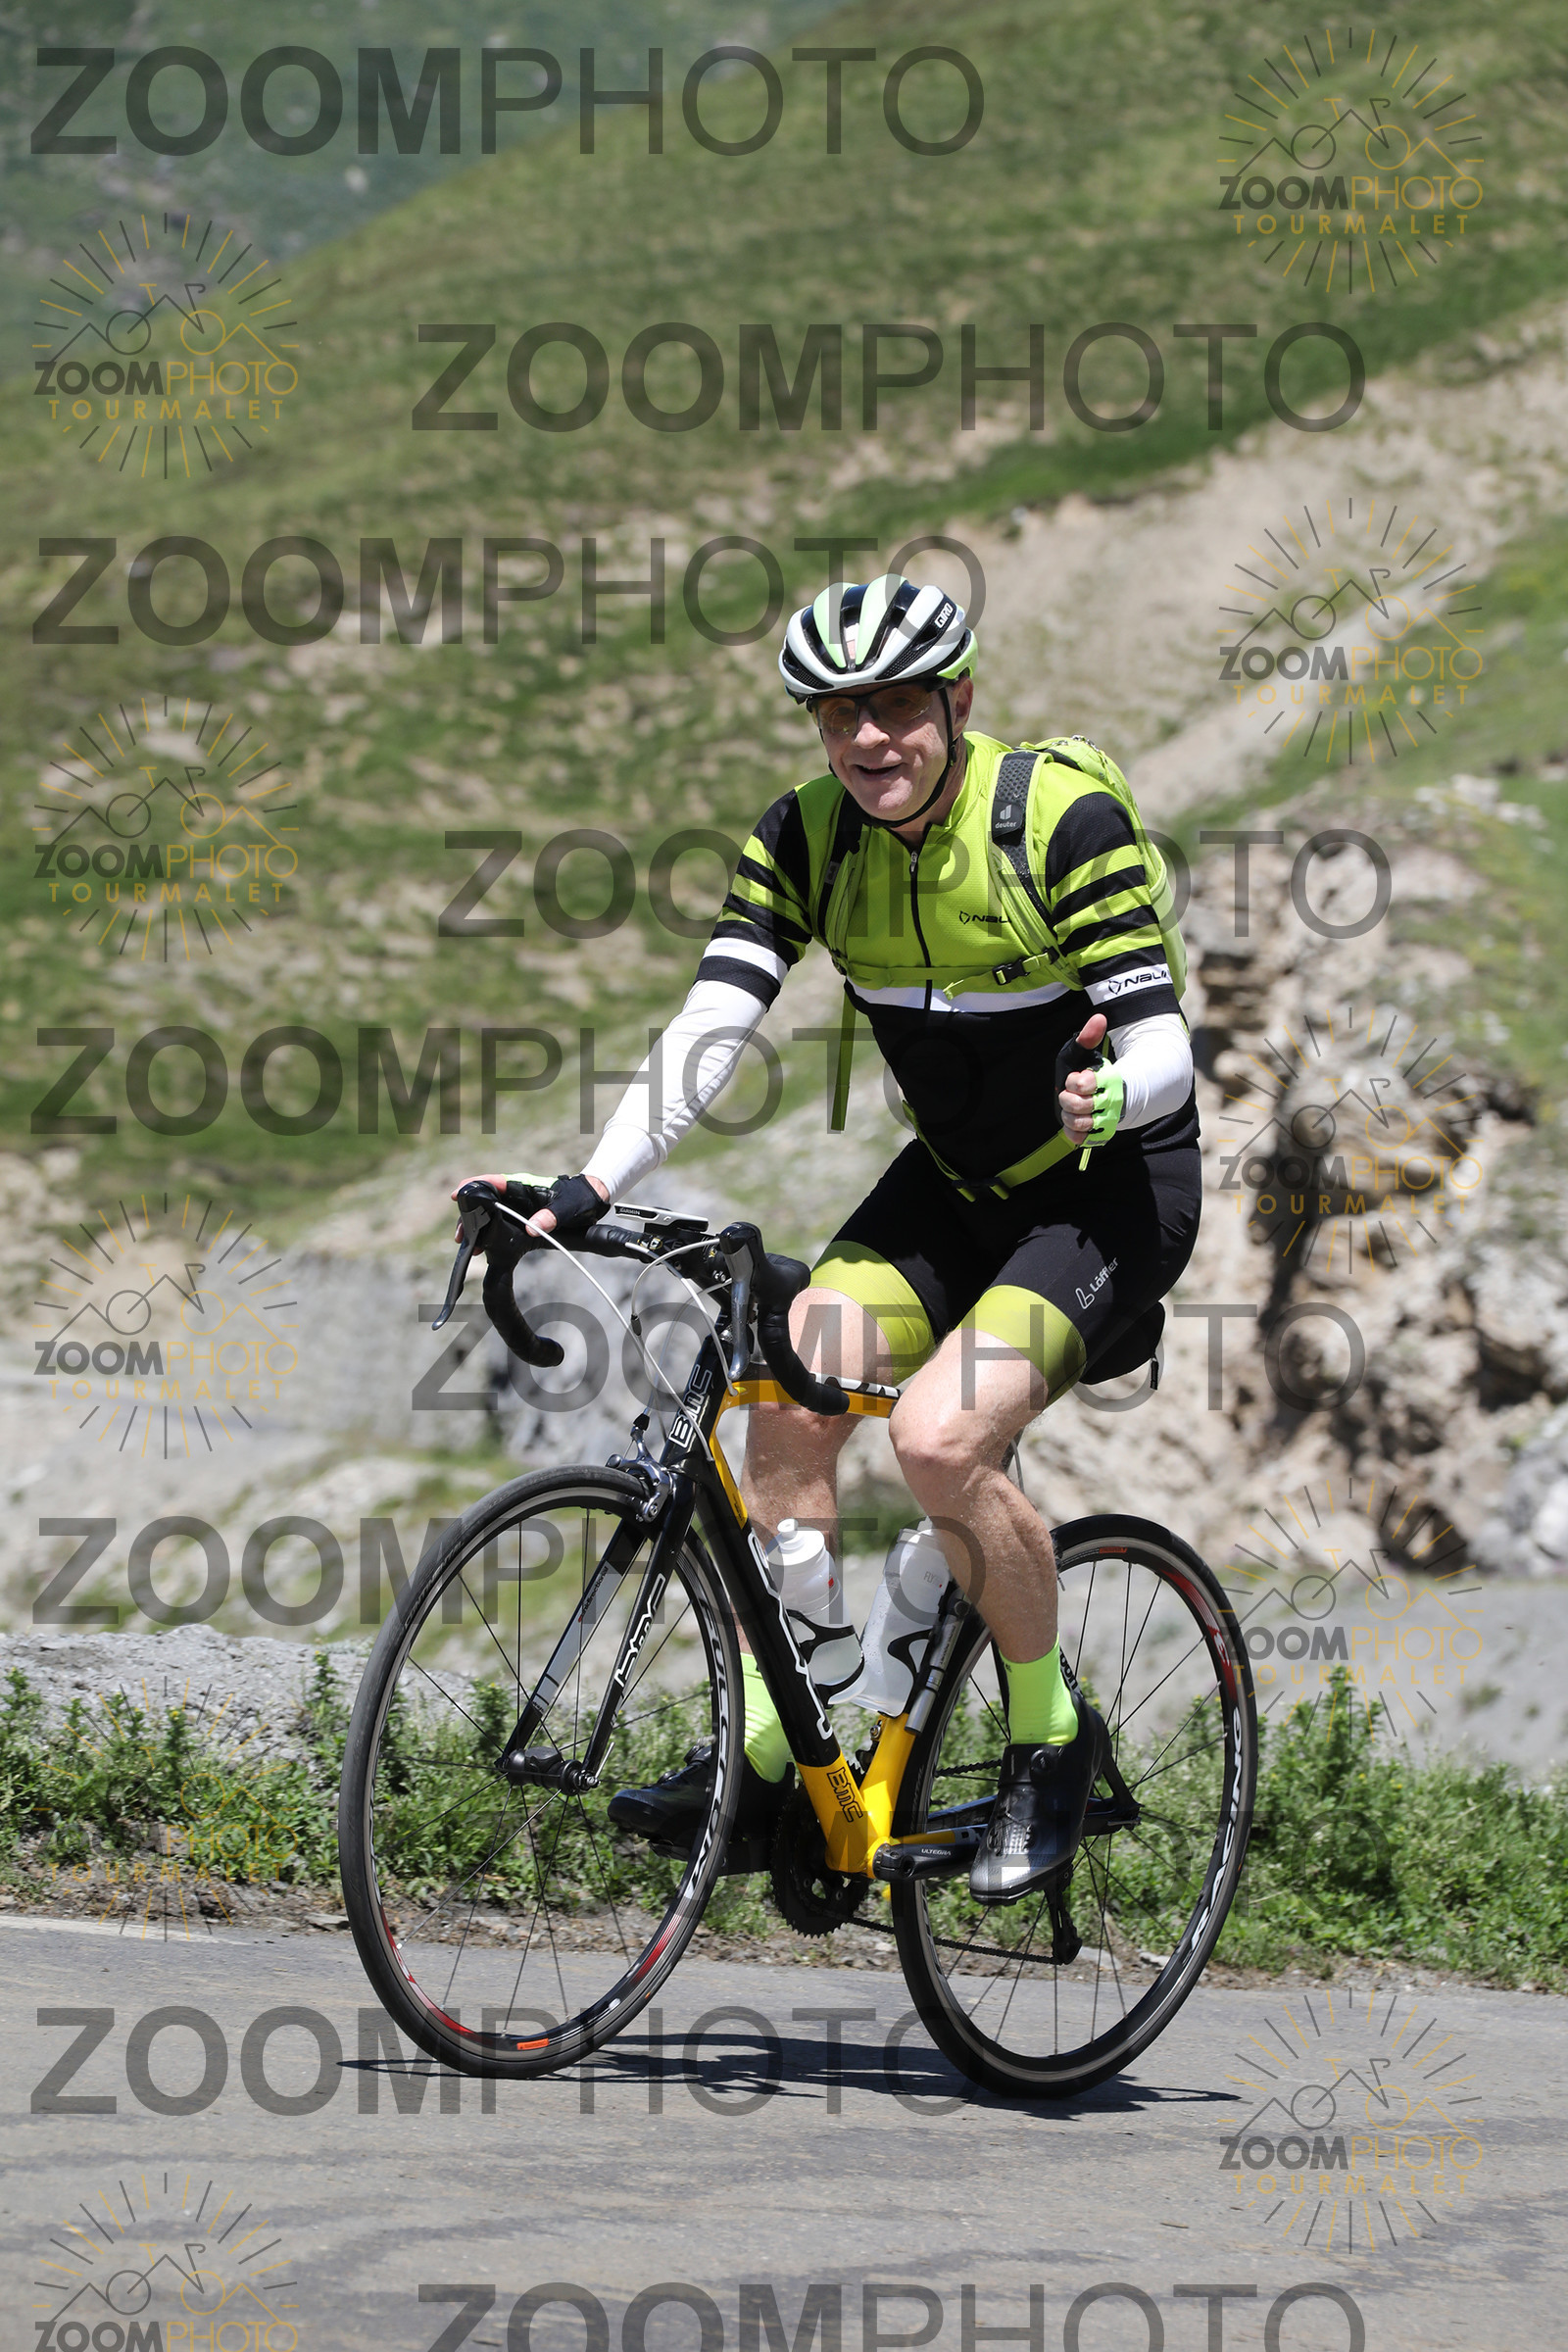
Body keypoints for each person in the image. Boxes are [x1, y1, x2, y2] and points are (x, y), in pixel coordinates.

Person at [480, 574, 1200, 1902]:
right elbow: (712, 1026)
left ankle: (1050, 1739)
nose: (870, 738)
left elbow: (1164, 1041)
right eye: (836, 713)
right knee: (787, 1399)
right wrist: (587, 1183)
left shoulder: (1060, 821)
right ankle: (781, 1748)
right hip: (953, 1186)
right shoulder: (808, 837)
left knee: (938, 1441)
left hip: (1105, 1187)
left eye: (898, 706)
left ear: (958, 701)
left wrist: (1113, 1094)